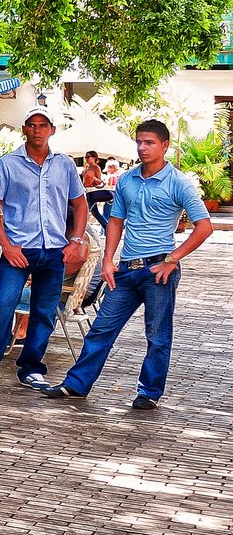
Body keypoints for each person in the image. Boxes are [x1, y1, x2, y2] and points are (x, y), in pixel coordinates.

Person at [42, 120, 213, 409]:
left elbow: (204, 226)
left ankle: (149, 393)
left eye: (149, 143)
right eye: (140, 142)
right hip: (125, 270)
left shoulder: (179, 183)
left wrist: (173, 260)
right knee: (101, 329)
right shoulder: (128, 180)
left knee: (157, 336)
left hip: (159, 269)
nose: (143, 147)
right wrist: (108, 261)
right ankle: (76, 385)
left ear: (164, 146)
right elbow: (116, 222)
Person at [0, 106, 88, 393]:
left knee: (43, 312)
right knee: (3, 305)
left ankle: (31, 369)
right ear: (24, 129)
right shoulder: (8, 164)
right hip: (18, 251)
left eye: (44, 125)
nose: (38, 130)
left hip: (54, 250)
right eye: (32, 125)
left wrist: (76, 240)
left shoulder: (65, 165)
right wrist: (6, 245)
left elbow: (80, 203)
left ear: (52, 130)